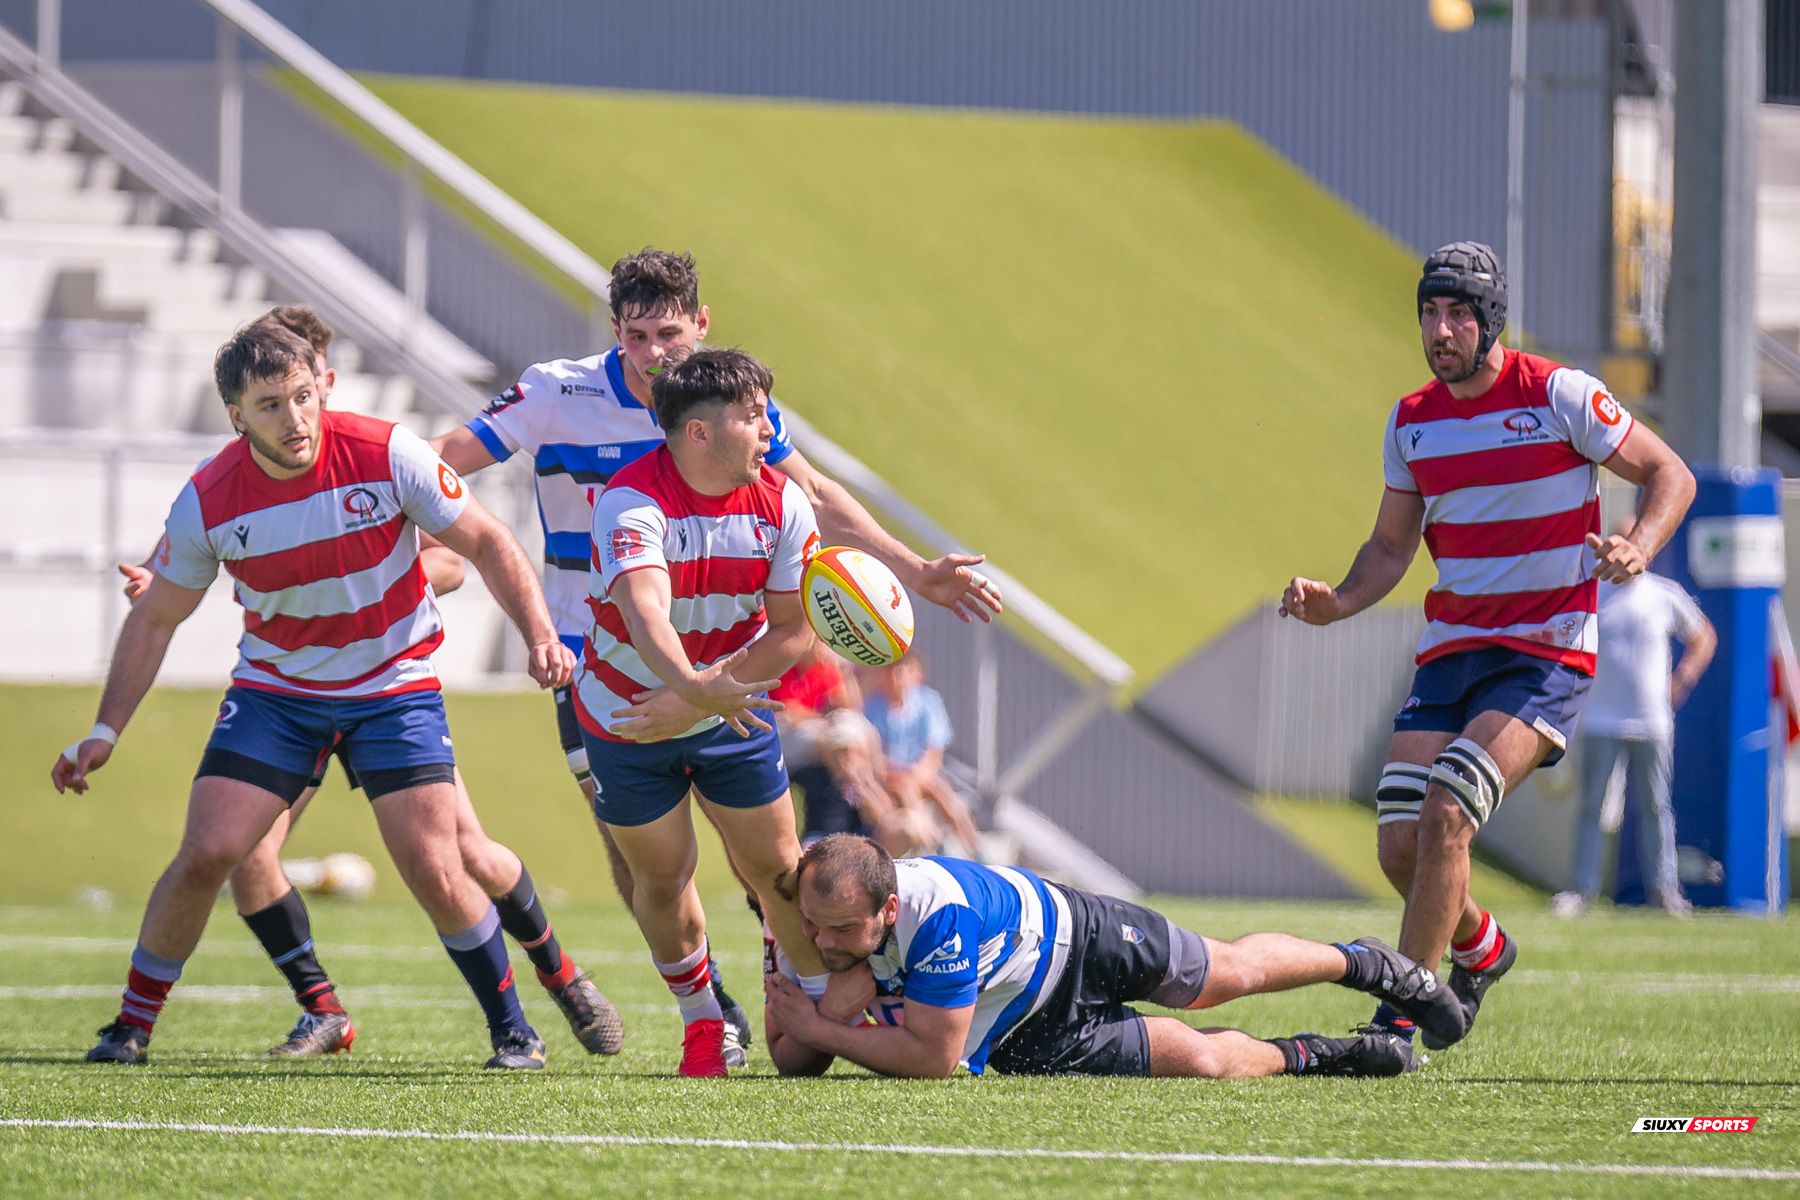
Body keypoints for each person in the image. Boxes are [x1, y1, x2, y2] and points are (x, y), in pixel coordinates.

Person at [430, 248, 1004, 1065]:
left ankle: (803, 998)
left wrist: (912, 571)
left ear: (701, 324)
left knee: (769, 864)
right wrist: (387, 526)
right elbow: (441, 458)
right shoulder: (561, 391)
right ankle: (713, 1008)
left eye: (670, 331)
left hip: (728, 672)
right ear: (615, 333)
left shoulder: (737, 410)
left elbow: (819, 500)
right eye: (636, 335)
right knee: (643, 866)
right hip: (601, 667)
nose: (655, 350)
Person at [53, 321, 576, 1070]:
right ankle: (131, 1027)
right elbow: (158, 615)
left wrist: (540, 635)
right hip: (278, 693)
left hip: (394, 686)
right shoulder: (208, 497)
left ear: (322, 387)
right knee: (209, 851)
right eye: (269, 406)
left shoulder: (388, 452)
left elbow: (488, 541)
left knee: (435, 864)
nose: (293, 419)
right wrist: (106, 729)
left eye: (302, 397)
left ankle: (515, 1031)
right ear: (236, 415)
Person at [1279, 242, 1695, 1050]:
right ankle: (1483, 948)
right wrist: (1340, 602)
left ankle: (1398, 1022)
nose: (1441, 329)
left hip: (1544, 653)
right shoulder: (1413, 420)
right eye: (1430, 313)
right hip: (1451, 651)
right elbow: (1392, 549)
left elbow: (1667, 472)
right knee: (1402, 844)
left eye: (1458, 313)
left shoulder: (1559, 394)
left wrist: (1639, 544)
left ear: (1490, 317)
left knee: (1447, 812)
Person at [574, 347, 832, 1077]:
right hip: (627, 719)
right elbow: (645, 612)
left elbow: (794, 629)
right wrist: (691, 688)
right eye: (752, 416)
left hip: (730, 709)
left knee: (779, 871)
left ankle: (810, 1009)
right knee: (664, 877)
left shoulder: (783, 501)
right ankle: (702, 1023)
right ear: (698, 434)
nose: (768, 428)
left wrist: (702, 692)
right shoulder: (631, 503)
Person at [762, 834, 1462, 1080]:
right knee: (1204, 1061)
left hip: (1075, 935)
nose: (821, 944)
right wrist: (826, 998)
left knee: (1225, 978)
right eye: (812, 928)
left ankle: (1368, 964)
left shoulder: (935, 913)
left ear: (887, 911)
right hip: (1024, 1030)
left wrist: (826, 1025)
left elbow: (934, 1059)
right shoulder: (805, 923)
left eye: (841, 931)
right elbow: (789, 1059)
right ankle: (1332, 1056)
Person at [1554, 525, 1715, 917]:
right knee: (1591, 807)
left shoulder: (1664, 594)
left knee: (1656, 808)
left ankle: (1664, 891)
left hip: (1651, 722)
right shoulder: (1593, 594)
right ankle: (1582, 891)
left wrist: (1683, 680)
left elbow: (1703, 636)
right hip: (1600, 719)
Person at [862, 656, 980, 855]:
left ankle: (974, 847)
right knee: (907, 790)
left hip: (920, 776)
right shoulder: (872, 707)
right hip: (890, 778)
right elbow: (873, 757)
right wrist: (904, 775)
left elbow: (934, 752)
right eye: (891, 671)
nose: (896, 677)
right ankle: (932, 843)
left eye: (902, 671)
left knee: (942, 792)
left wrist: (915, 775)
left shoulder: (927, 701)